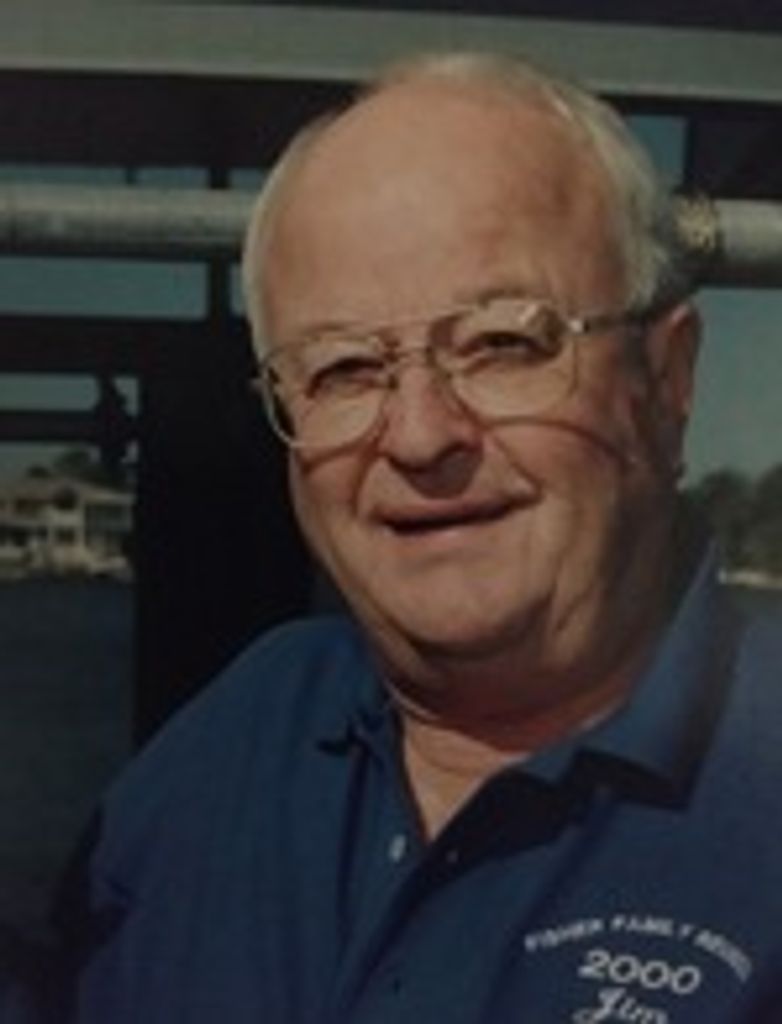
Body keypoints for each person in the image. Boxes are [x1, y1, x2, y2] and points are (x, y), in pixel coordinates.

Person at [46, 52, 782, 1023]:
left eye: (502, 343)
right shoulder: (239, 732)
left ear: (667, 378)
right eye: (344, 369)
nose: (422, 437)